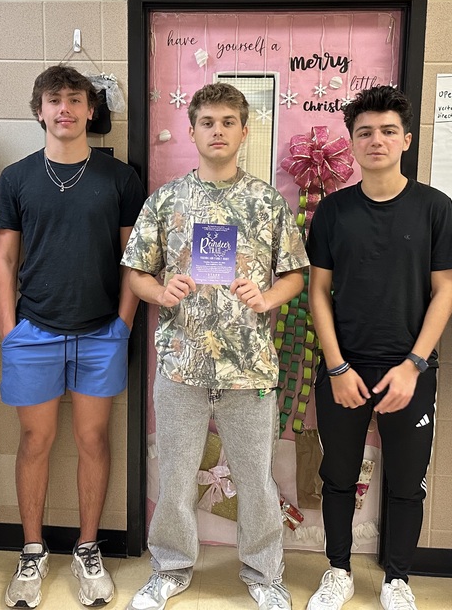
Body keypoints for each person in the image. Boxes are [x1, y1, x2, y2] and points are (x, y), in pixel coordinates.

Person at [122, 82, 308, 610]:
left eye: (228, 122)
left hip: (249, 369)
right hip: (181, 366)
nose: (218, 131)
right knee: (176, 477)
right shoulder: (165, 200)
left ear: (244, 132)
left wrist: (266, 297)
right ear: (192, 131)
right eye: (208, 122)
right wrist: (161, 291)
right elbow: (135, 272)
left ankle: (265, 574)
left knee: (257, 480)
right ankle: (170, 568)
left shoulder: (267, 202)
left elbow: (296, 275)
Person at [305, 86, 452, 610]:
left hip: (409, 371)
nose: (377, 140)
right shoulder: (333, 211)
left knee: (406, 481)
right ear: (352, 142)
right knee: (337, 476)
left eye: (388, 131)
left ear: (406, 140)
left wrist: (414, 365)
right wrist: (336, 367)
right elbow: (318, 291)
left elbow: (446, 291)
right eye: (365, 132)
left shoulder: (434, 208)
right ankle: (338, 571)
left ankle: (397, 578)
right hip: (344, 369)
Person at [0, 65, 145, 608]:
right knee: (35, 440)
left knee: (93, 440)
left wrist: (123, 324)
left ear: (90, 110)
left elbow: (134, 258)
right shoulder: (16, 177)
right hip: (33, 331)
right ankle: (32, 550)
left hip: (102, 332)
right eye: (54, 100)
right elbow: (3, 258)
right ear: (39, 111)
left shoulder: (120, 178)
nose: (65, 109)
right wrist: (9, 330)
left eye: (75, 100)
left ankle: (87, 548)